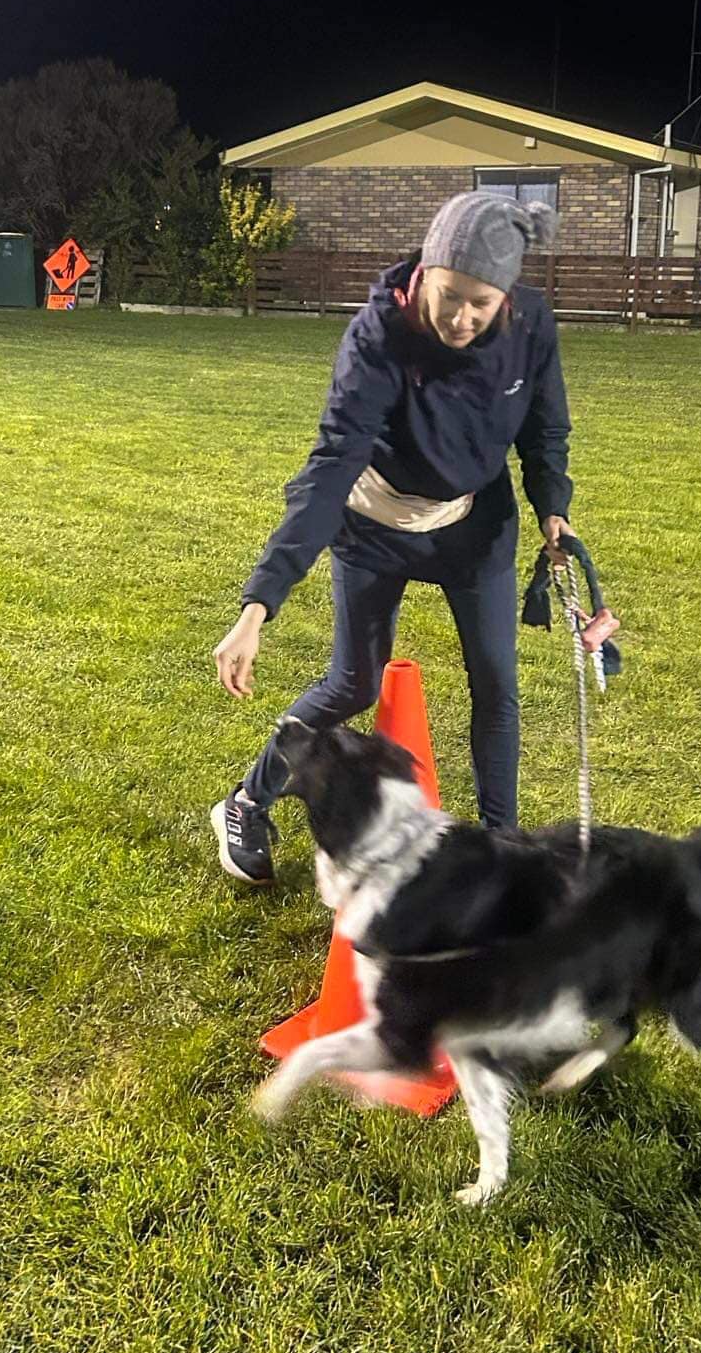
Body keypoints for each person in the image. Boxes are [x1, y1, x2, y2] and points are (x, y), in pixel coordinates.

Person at [211, 190, 591, 885]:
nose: (464, 316)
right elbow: (330, 469)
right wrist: (258, 606)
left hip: (474, 527)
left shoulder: (531, 325)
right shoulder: (378, 336)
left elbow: (545, 430)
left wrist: (552, 510)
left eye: (483, 302)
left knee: (497, 685)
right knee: (353, 683)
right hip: (376, 522)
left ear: (506, 297)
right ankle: (245, 801)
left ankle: (499, 851)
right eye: (452, 295)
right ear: (427, 273)